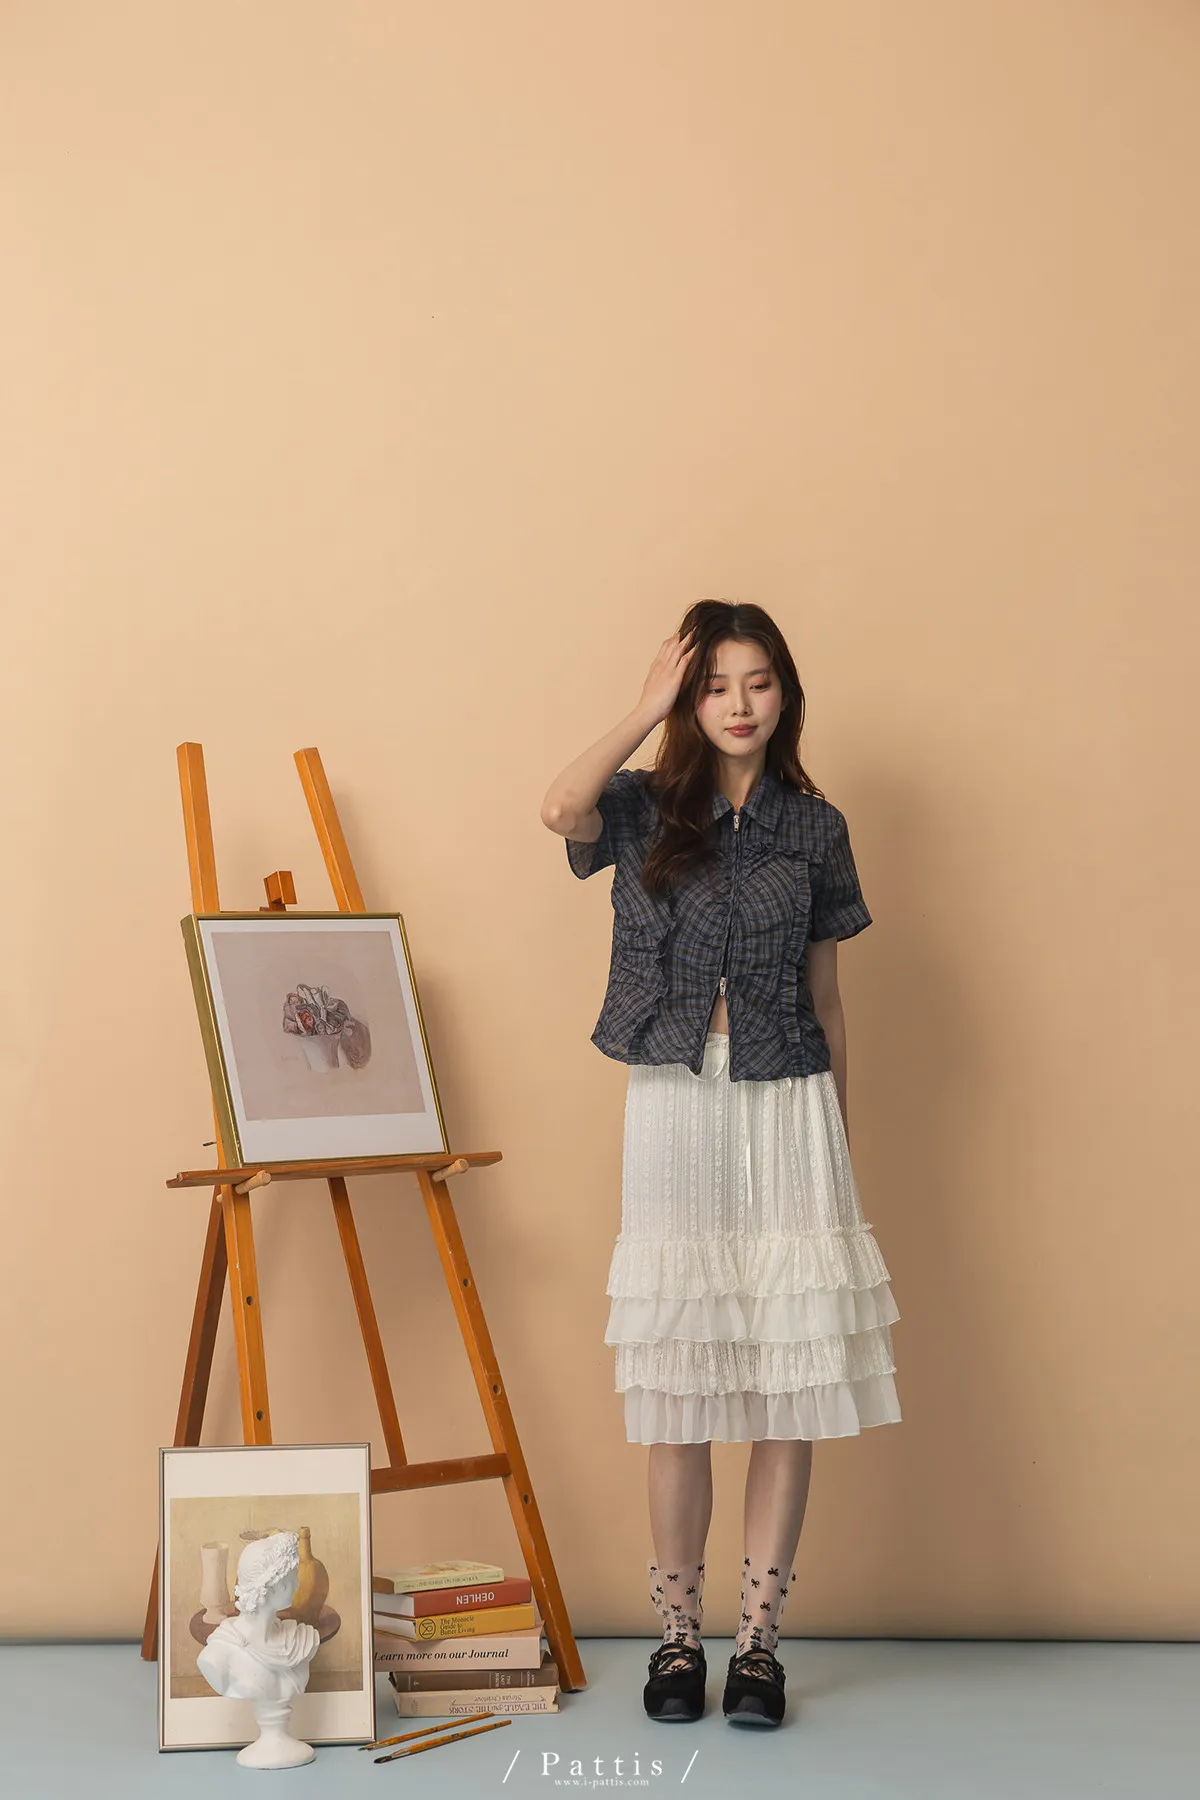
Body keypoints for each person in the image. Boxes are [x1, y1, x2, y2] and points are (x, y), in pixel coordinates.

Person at [541, 599, 901, 1729]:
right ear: (690, 699)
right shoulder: (642, 806)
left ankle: (757, 1646)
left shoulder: (817, 828)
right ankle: (678, 1641)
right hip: (677, 1101)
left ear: (786, 692)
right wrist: (646, 703)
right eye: (715, 685)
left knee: (788, 1383)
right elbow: (556, 808)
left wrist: (839, 1144)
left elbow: (829, 1000)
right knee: (679, 1388)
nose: (740, 704)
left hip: (790, 1105)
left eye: (758, 681)